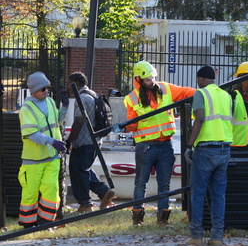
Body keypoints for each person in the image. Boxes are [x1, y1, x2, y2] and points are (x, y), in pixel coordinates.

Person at [119, 61, 195, 227]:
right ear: (138, 79)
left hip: (165, 144)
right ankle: (137, 219)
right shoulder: (132, 98)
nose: (152, 81)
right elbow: (132, 124)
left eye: (153, 77)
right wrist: (124, 127)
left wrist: (205, 92)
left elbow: (185, 92)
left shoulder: (165, 89)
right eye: (147, 79)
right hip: (145, 147)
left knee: (164, 184)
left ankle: (163, 220)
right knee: (140, 183)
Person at [186, 66, 233, 246]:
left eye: (198, 79)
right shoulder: (226, 96)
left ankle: (196, 236)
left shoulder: (201, 94)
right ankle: (217, 237)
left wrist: (189, 145)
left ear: (201, 79)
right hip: (224, 148)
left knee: (198, 193)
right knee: (218, 195)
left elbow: (199, 118)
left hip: (205, 149)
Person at [17, 71, 68, 228]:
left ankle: (46, 224)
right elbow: (31, 134)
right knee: (30, 193)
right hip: (33, 160)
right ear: (33, 90)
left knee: (51, 191)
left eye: (47, 88)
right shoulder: (27, 109)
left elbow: (57, 122)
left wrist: (65, 107)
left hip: (52, 157)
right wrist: (52, 142)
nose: (46, 91)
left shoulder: (50, 102)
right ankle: (28, 225)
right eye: (42, 89)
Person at [65, 72, 116, 213]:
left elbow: (78, 122)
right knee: (83, 169)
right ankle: (103, 191)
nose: (68, 87)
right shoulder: (93, 94)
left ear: (76, 83)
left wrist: (69, 140)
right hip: (95, 141)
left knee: (77, 172)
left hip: (83, 142)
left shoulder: (81, 98)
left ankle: (85, 205)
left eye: (69, 83)